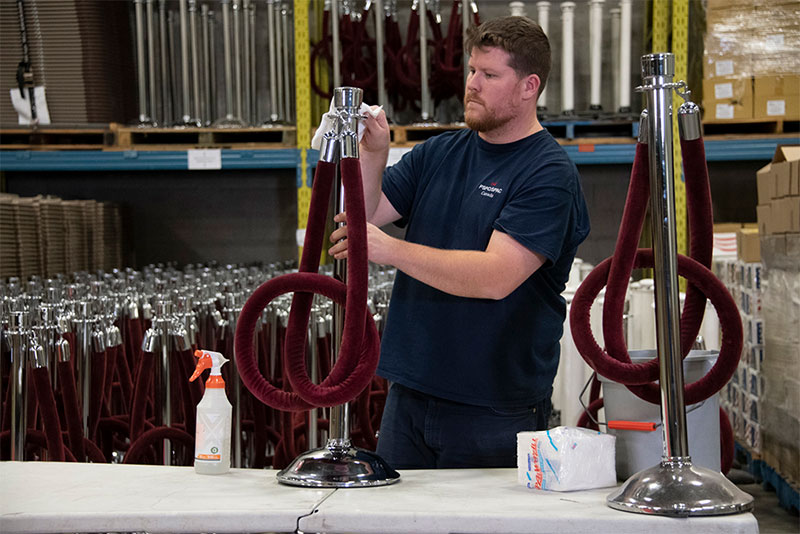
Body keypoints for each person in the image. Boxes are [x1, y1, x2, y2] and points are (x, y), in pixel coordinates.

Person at [329, 15, 590, 469]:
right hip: (409, 395)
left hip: (492, 409)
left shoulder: (548, 174)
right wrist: (374, 154)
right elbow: (364, 217)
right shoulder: (440, 153)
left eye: (490, 75)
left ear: (529, 86)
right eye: (472, 71)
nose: (472, 84)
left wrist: (388, 249)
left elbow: (495, 277)